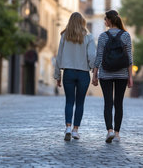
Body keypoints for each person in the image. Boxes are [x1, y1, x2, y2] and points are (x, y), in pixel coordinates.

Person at [92, 10, 133, 143]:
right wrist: (130, 77)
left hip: (106, 74)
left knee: (108, 103)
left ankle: (109, 130)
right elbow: (130, 58)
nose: (104, 22)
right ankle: (117, 133)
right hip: (122, 74)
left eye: (105, 19)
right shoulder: (126, 35)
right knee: (119, 103)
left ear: (110, 20)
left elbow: (98, 57)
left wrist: (95, 74)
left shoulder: (103, 36)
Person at [54, 12, 96, 141]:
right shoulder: (88, 37)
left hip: (68, 72)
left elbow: (59, 56)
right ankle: (75, 130)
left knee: (69, 101)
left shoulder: (64, 36)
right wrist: (94, 70)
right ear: (82, 22)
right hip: (83, 73)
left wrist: (57, 75)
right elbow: (92, 56)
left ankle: (67, 127)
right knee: (80, 103)